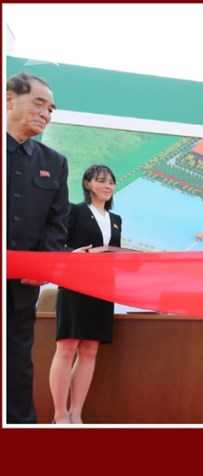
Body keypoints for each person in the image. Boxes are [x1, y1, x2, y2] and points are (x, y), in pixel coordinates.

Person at [6, 73, 69, 423]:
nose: (46, 113)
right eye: (39, 103)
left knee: (18, 363)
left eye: (51, 109)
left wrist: (43, 265)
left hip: (22, 287)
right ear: (9, 100)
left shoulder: (54, 163)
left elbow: (57, 223)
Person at [48, 165, 122, 424]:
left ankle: (76, 413)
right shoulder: (75, 211)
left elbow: (115, 253)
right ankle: (59, 415)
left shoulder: (116, 219)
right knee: (67, 347)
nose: (108, 186)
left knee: (90, 349)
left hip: (102, 288)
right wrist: (74, 254)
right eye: (101, 181)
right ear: (88, 184)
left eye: (111, 182)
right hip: (75, 285)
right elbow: (57, 244)